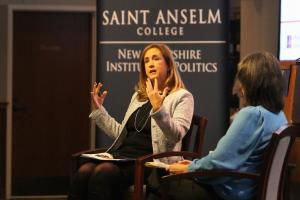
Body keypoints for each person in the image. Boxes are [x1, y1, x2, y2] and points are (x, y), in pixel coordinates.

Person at [68, 43, 194, 200]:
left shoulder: (182, 96)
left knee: (103, 173)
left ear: (169, 65)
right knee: (84, 172)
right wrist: (99, 110)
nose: (150, 64)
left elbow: (176, 135)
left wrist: (158, 108)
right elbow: (121, 133)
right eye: (146, 61)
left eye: (156, 59)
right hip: (123, 156)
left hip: (150, 162)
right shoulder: (138, 97)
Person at [162, 52, 287, 200]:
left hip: (230, 192)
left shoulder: (252, 115)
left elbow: (218, 164)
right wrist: (195, 164)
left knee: (165, 184)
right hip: (251, 189)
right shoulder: (280, 116)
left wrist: (189, 168)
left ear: (251, 83)